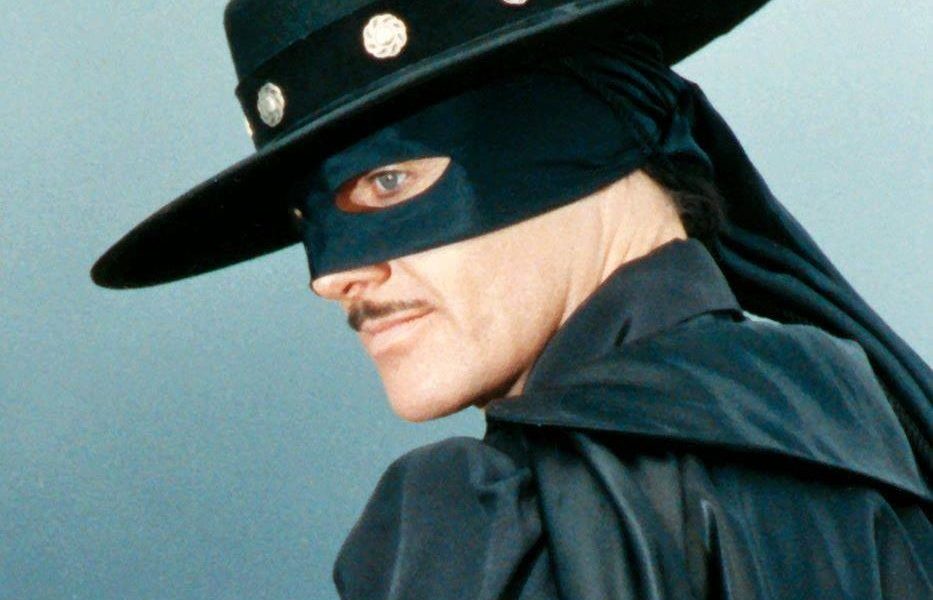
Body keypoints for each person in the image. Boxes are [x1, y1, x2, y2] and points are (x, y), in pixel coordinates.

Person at [92, 1, 932, 597]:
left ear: (567, 138)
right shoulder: (872, 438)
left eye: (389, 182)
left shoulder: (494, 522)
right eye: (307, 223)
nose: (330, 276)